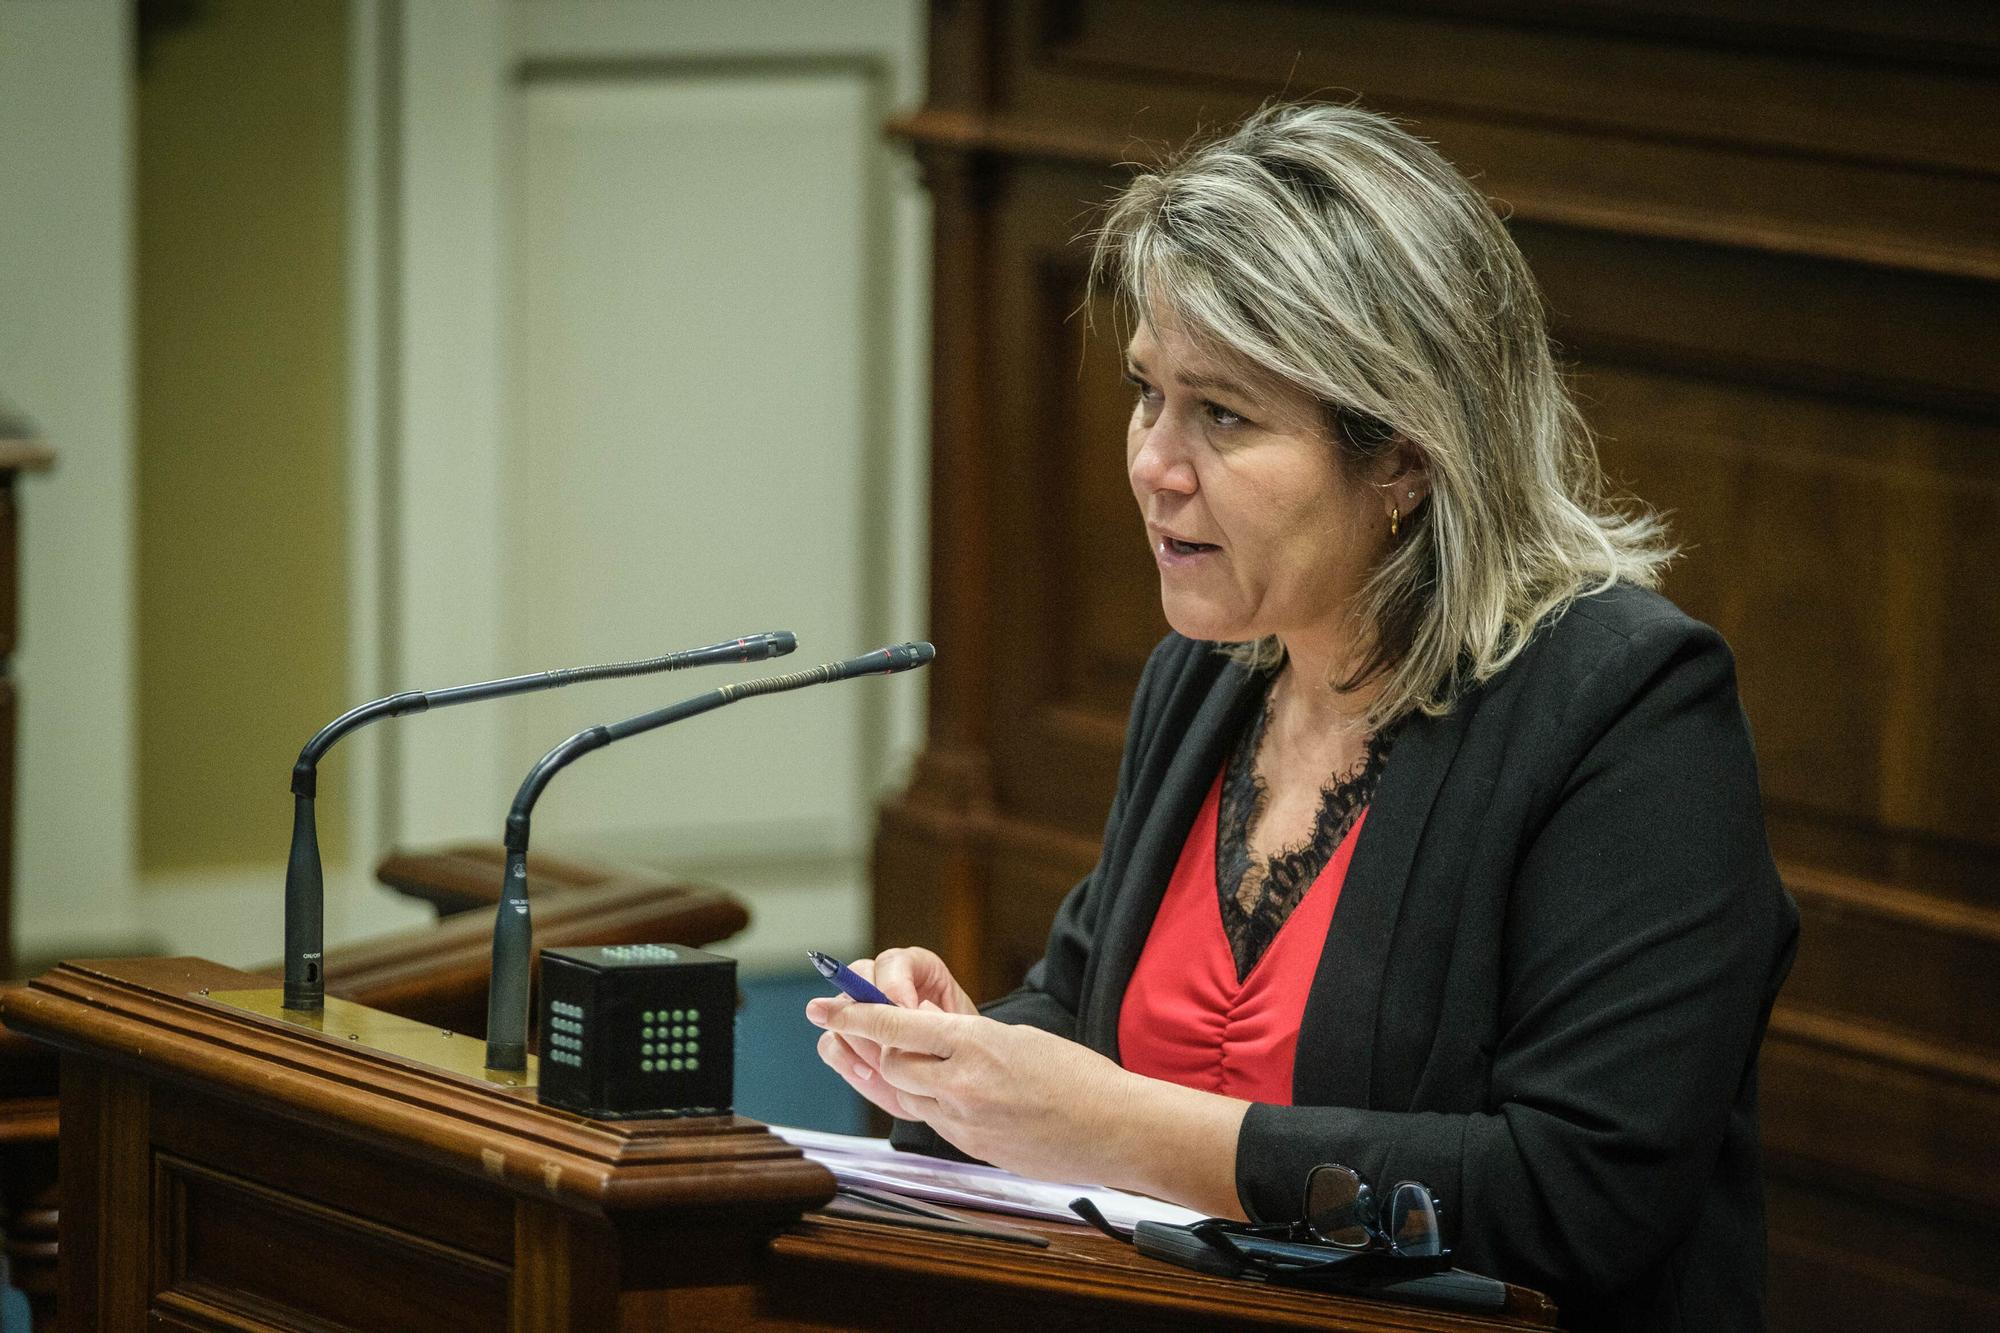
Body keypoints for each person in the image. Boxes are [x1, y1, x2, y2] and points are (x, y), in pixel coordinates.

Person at [808, 101, 1797, 1331]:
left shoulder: (1625, 711)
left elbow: (1577, 1195)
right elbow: (1084, 1005)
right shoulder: (1215, 671)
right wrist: (955, 1055)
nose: (1152, 464)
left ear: (1406, 457)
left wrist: (1118, 1126)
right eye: (1146, 395)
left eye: (1220, 414)